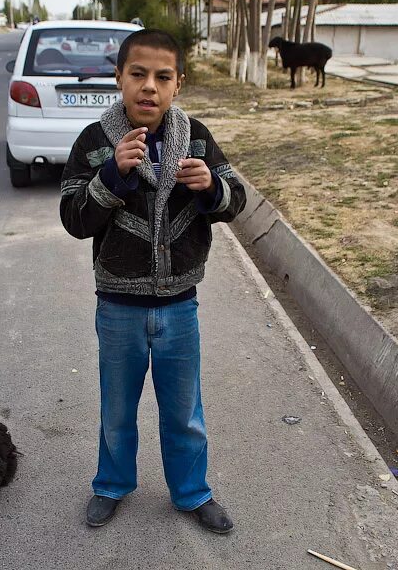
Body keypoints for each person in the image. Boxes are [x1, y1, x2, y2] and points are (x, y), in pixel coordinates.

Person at [59, 29, 247, 533]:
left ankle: (192, 492)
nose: (149, 87)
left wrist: (211, 187)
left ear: (178, 83)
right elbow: (74, 219)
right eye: (138, 74)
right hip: (117, 305)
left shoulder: (198, 138)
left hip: (180, 305)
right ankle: (111, 485)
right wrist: (111, 180)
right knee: (117, 410)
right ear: (118, 78)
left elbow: (237, 200)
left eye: (162, 77)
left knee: (184, 413)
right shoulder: (96, 143)